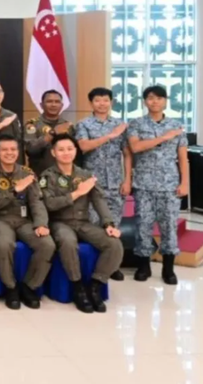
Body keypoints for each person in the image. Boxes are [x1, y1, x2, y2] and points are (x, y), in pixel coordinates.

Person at [40, 134, 123, 313]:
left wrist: (109, 223)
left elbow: (99, 201)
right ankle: (77, 288)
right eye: (61, 150)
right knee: (68, 243)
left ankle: (94, 286)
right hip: (60, 223)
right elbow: (49, 204)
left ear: (76, 151)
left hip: (84, 222)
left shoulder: (85, 175)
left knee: (114, 244)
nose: (66, 153)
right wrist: (76, 194)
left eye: (70, 149)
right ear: (54, 153)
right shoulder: (47, 176)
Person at [0, 135, 55, 310]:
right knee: (3, 244)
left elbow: (36, 202)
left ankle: (29, 287)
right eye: (5, 150)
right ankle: (11, 287)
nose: (9, 153)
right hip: (0, 219)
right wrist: (14, 191)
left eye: (13, 149)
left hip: (23, 220)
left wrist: (41, 224)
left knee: (47, 244)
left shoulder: (27, 174)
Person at [127, 85, 188, 285]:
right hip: (143, 184)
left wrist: (185, 182)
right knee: (143, 225)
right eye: (151, 98)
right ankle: (143, 266)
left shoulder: (176, 126)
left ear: (165, 101)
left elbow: (182, 157)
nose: (155, 102)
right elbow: (136, 147)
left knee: (169, 226)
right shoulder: (136, 124)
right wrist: (163, 137)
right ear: (145, 101)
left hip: (169, 184)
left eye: (159, 98)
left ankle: (168, 269)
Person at [75, 87, 131, 281]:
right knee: (92, 224)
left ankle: (112, 265)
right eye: (97, 100)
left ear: (111, 102)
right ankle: (92, 264)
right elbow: (83, 146)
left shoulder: (120, 125)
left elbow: (127, 153)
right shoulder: (84, 124)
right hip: (92, 182)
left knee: (113, 224)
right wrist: (109, 136)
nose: (102, 104)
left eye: (105, 100)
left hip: (115, 181)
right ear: (91, 103)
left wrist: (127, 179)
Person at [24, 90, 75, 176]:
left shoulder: (68, 126)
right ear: (41, 105)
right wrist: (52, 133)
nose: (53, 105)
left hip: (64, 176)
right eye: (49, 101)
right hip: (39, 175)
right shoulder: (32, 124)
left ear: (61, 105)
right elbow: (31, 149)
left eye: (57, 102)